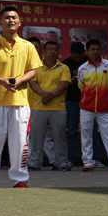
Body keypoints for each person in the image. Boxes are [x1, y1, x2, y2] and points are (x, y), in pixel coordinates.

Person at [0, 5, 42, 187]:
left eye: (14, 18)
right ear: (0, 22)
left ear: (20, 22)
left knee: (20, 142)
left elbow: (34, 70)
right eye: (7, 18)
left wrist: (20, 80)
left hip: (19, 101)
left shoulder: (27, 46)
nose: (11, 20)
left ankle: (20, 179)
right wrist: (1, 81)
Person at [76, 39, 108, 171]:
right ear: (87, 51)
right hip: (86, 108)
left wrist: (106, 98)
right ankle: (88, 162)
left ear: (101, 51)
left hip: (105, 108)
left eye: (97, 49)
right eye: (92, 49)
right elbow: (81, 87)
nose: (95, 52)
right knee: (86, 135)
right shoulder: (83, 68)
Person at [27, 40, 71, 171]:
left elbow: (64, 85)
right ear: (43, 52)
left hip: (58, 108)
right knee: (36, 137)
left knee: (60, 137)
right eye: (49, 49)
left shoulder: (64, 67)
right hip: (38, 107)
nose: (52, 52)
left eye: (55, 49)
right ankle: (34, 162)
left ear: (58, 52)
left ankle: (61, 162)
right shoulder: (35, 67)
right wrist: (44, 95)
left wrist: (49, 96)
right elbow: (33, 83)